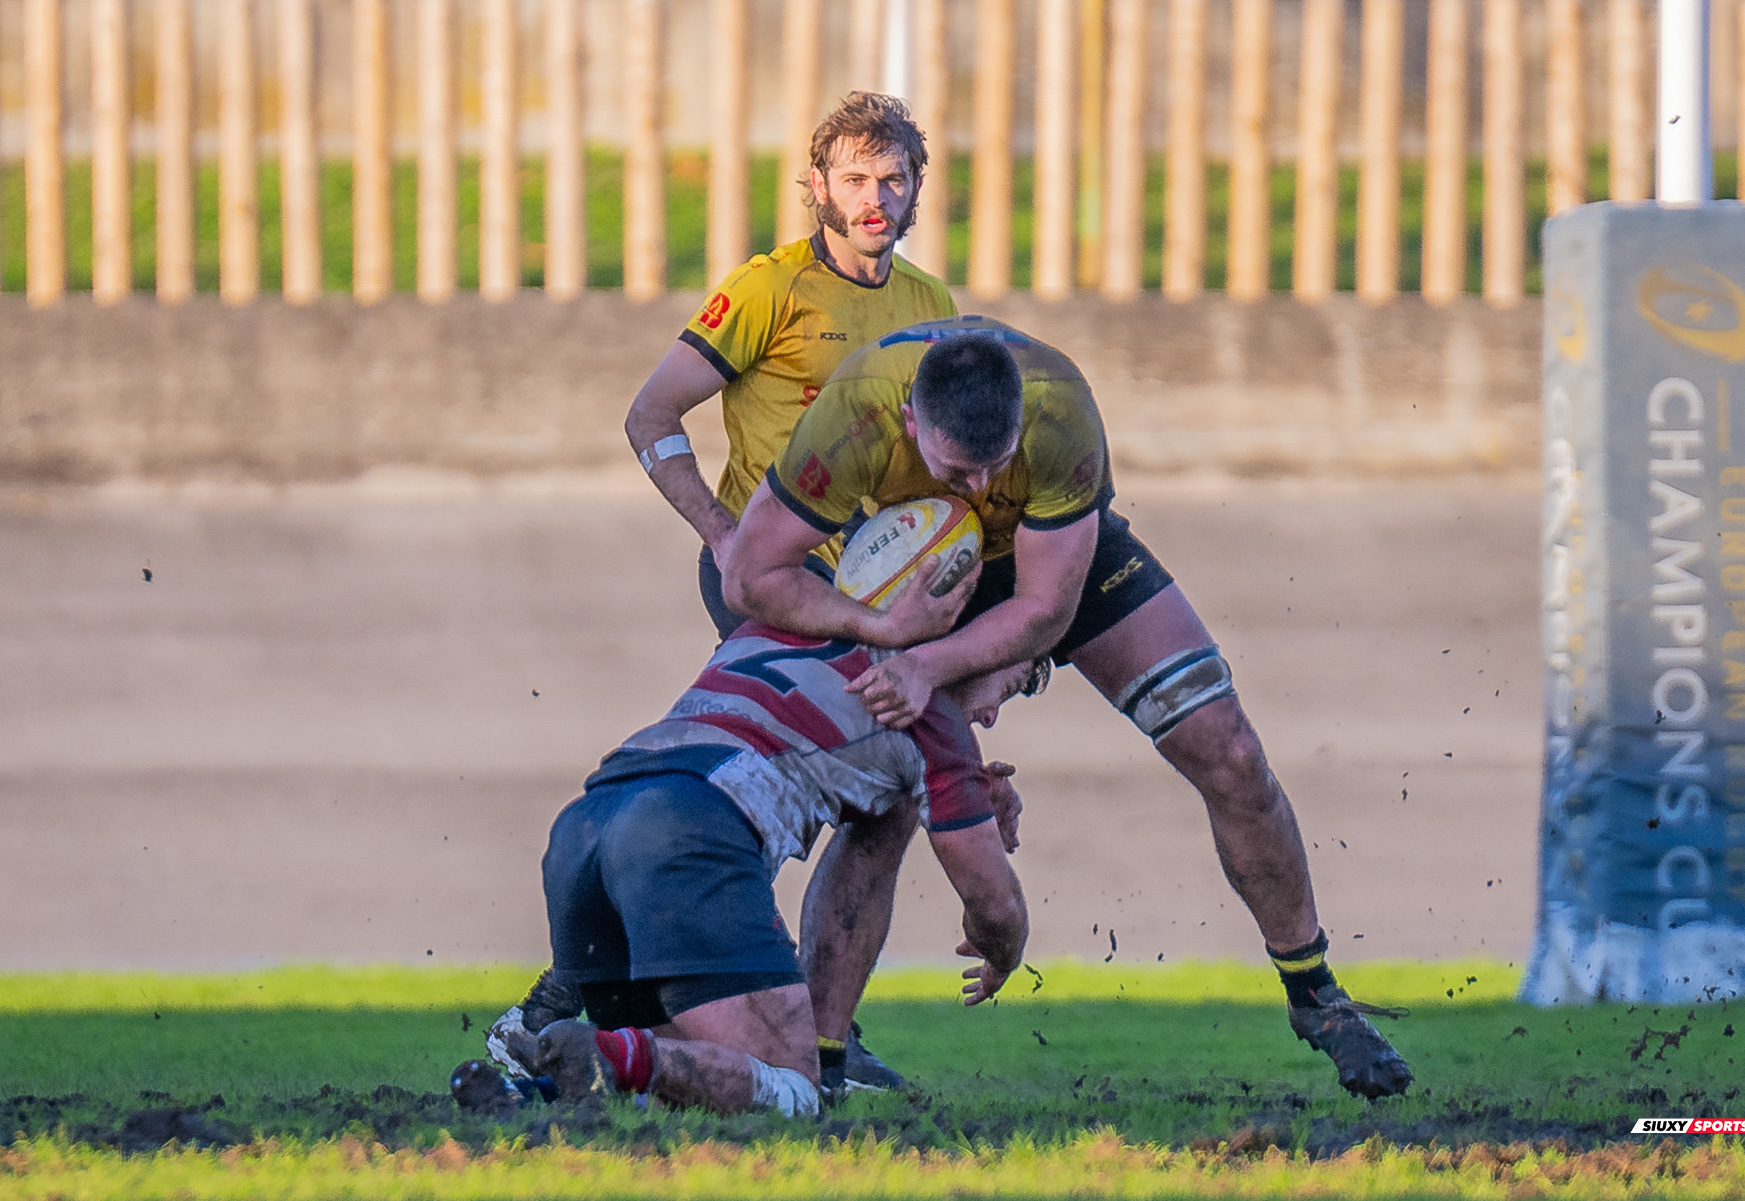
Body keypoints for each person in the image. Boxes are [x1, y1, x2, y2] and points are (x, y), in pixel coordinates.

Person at [722, 319, 1414, 1099]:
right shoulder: (855, 415)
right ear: (912, 423)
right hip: (903, 577)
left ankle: (1316, 994)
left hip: (1046, 559)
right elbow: (749, 576)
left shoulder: (1058, 409)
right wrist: (886, 635)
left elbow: (1047, 610)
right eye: (957, 470)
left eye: (995, 466)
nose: (979, 489)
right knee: (881, 815)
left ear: (1019, 426)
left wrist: (943, 668)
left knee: (1231, 749)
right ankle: (824, 1064)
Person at [617, 89, 957, 1090]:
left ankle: (820, 1036)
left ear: (917, 189)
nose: (875, 199)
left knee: (886, 791)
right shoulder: (766, 290)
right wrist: (725, 537)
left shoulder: (931, 307)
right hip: (773, 582)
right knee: (837, 775)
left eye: (894, 180)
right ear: (816, 186)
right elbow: (649, 416)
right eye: (854, 179)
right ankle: (657, 1002)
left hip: (872, 592)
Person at [464, 621, 1042, 1118]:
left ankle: (522, 1091)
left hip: (585, 825)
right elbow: (994, 905)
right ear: (979, 643)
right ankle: (600, 1051)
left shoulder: (782, 625)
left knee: (689, 1085)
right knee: (793, 1090)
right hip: (686, 826)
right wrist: (1004, 952)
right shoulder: (926, 712)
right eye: (1012, 683)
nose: (990, 715)